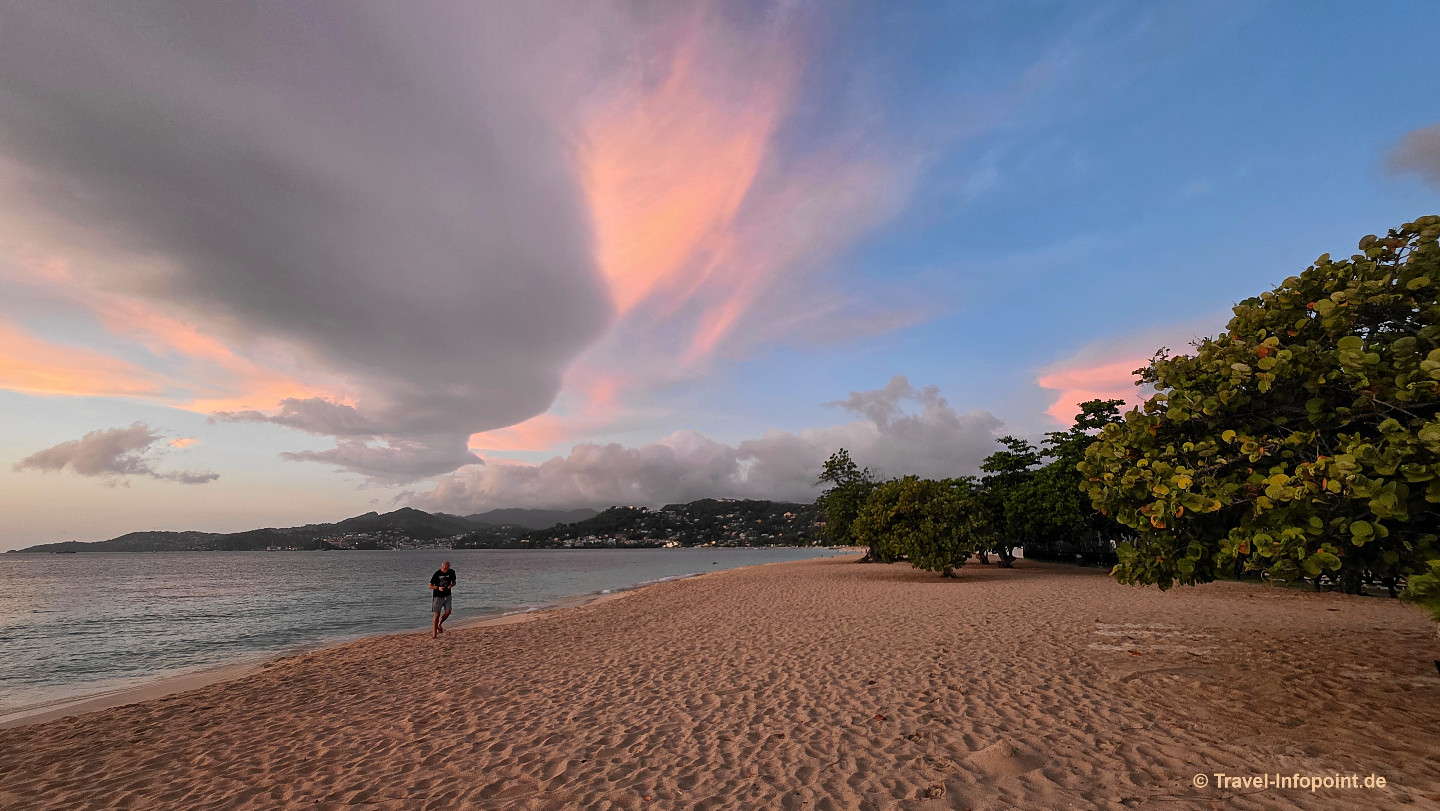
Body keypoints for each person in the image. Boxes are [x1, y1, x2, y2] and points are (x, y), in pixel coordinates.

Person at [429, 560, 456, 638]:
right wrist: (438, 588)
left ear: (449, 567)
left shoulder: (452, 572)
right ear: (442, 567)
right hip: (438, 596)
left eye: (447, 569)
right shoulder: (437, 574)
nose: (445, 570)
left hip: (447, 595)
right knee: (437, 614)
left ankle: (440, 624)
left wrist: (451, 586)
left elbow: (454, 582)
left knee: (448, 612)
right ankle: (434, 633)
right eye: (444, 569)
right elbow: (430, 586)